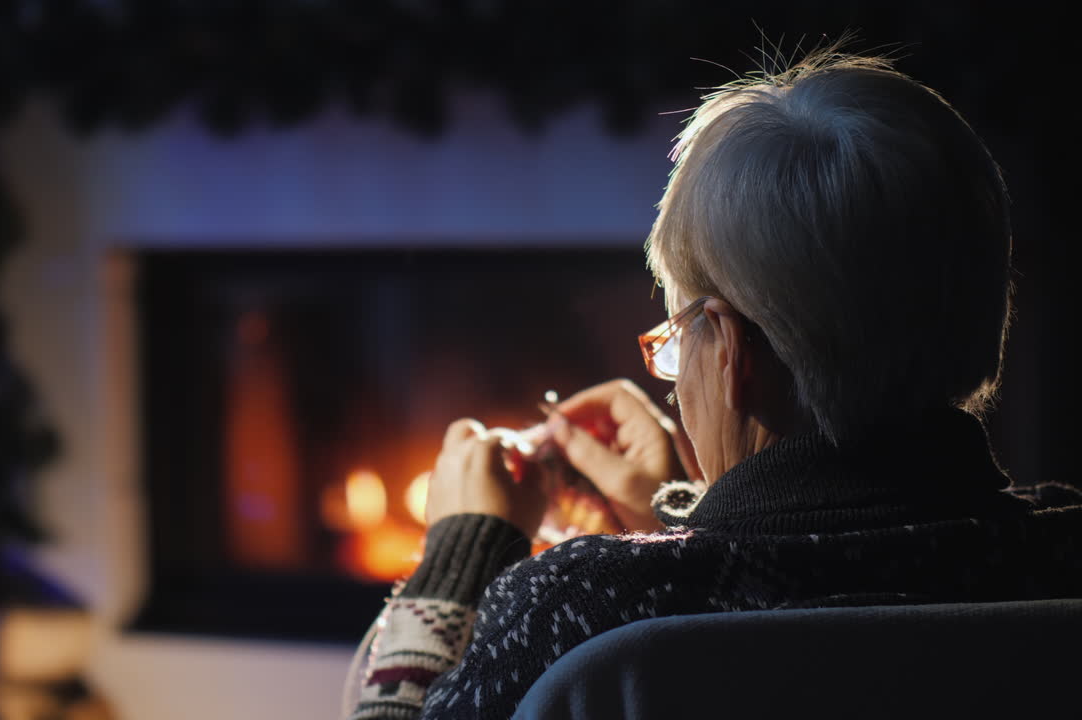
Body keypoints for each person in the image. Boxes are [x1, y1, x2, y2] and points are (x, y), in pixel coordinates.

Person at [344, 45, 1082, 720]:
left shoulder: (580, 607)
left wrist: (461, 553)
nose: (674, 377)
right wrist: (682, 519)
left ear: (728, 350)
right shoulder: (1062, 554)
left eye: (677, 339)